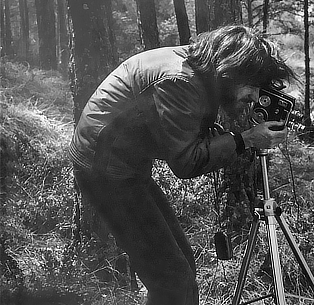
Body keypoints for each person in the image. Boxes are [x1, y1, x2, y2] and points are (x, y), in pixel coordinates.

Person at [69, 25, 296, 305]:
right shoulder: (180, 81)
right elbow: (186, 163)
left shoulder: (198, 71)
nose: (252, 99)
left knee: (180, 267)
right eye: (251, 88)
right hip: (106, 170)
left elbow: (166, 129)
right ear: (232, 71)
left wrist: (217, 136)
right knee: (173, 280)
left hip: (124, 164)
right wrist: (246, 139)